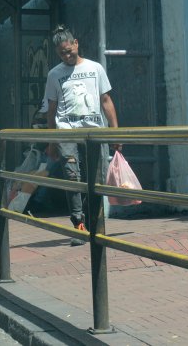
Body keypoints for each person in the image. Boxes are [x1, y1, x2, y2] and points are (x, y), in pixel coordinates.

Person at [43, 25, 119, 245]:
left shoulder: (95, 68)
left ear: (76, 44)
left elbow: (106, 101)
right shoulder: (54, 75)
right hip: (67, 133)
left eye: (69, 51)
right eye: (62, 54)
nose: (67, 56)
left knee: (95, 179)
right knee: (72, 177)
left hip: (95, 133)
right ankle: (78, 223)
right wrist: (52, 141)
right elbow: (51, 110)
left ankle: (95, 222)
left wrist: (116, 133)